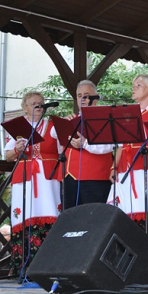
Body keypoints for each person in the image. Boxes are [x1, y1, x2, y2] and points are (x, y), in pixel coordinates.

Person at [109, 74, 148, 249]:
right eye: (134, 84)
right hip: (127, 170)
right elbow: (121, 145)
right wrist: (114, 167)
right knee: (126, 214)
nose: (134, 88)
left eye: (138, 85)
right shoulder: (128, 113)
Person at [4, 91, 61, 273]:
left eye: (41, 103)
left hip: (47, 177)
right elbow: (7, 156)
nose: (38, 106)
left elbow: (64, 149)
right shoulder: (17, 128)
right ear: (25, 107)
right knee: (24, 214)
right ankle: (24, 266)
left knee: (50, 211)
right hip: (25, 177)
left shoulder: (51, 126)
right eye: (33, 103)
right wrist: (17, 149)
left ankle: (50, 266)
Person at [52, 80, 114, 210]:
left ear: (95, 98)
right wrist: (65, 122)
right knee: (71, 220)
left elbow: (109, 146)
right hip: (69, 177)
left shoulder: (104, 118)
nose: (83, 99)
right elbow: (54, 134)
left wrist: (85, 144)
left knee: (93, 219)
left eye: (86, 95)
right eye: (79, 96)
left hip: (95, 178)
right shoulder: (73, 119)